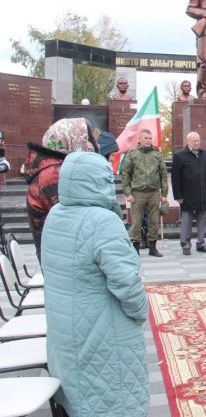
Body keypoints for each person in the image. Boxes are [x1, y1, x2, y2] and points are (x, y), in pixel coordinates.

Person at [42, 151, 149, 416]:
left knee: (80, 396)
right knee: (111, 399)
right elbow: (126, 281)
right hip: (101, 332)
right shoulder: (102, 221)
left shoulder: (55, 214)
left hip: (66, 330)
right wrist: (140, 312)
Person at [24, 118, 98, 259]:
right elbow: (73, 219)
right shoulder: (53, 175)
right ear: (68, 139)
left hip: (62, 254)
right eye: (85, 139)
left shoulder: (59, 168)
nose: (89, 146)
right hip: (61, 259)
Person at [122, 129, 168, 257]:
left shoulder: (157, 155)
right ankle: (135, 247)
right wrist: (128, 193)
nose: (148, 140)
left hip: (154, 193)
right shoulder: (132, 154)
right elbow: (126, 175)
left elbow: (163, 175)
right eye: (145, 138)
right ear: (140, 139)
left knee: (154, 221)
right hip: (138, 193)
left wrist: (164, 194)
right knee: (136, 221)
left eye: (150, 138)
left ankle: (152, 248)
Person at [171, 132, 206, 255]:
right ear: (188, 142)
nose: (197, 143)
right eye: (194, 141)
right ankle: (185, 245)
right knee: (187, 221)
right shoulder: (179, 156)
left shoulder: (205, 154)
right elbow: (175, 178)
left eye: (198, 140)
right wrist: (178, 196)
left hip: (203, 193)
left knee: (202, 219)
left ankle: (201, 243)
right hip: (187, 195)